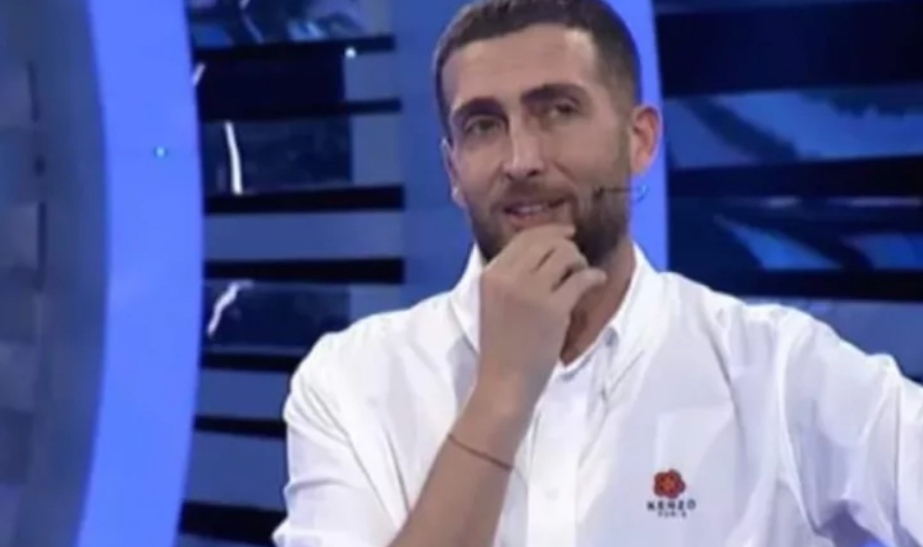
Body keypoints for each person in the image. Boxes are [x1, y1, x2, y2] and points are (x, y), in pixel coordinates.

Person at [272, 0, 923, 545]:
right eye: (483, 125)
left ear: (640, 140)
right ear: (452, 171)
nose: (521, 159)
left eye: (558, 110)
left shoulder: (777, 372)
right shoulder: (352, 383)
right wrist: (501, 391)